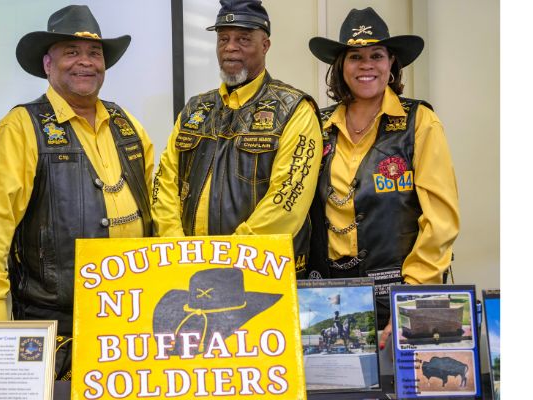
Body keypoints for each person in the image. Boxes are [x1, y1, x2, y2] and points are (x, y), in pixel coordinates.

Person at [0, 5, 153, 380]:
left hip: (132, 319)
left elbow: (157, 210)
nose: (85, 62)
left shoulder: (127, 123)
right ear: (48, 64)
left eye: (94, 53)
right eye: (71, 52)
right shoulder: (21, 126)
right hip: (55, 327)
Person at [305, 8, 460, 344]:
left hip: (402, 290)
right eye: (355, 56)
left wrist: (410, 302)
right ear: (340, 67)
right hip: (328, 296)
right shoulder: (316, 124)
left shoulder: (420, 121)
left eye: (376, 55)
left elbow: (441, 221)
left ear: (391, 64)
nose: (366, 65)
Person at [151, 0, 322, 275]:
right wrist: (177, 249)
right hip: (188, 271)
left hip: (262, 271)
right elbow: (165, 181)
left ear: (265, 45)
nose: (230, 47)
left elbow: (288, 200)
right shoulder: (195, 108)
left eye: (243, 39)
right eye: (223, 39)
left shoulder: (295, 109)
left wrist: (231, 258)